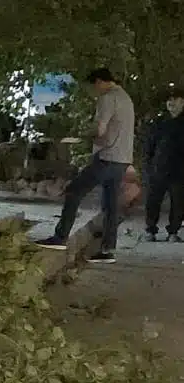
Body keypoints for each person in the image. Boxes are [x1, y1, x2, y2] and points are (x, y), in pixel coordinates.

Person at [35, 68, 135, 263]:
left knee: (74, 191)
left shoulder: (107, 98)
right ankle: (107, 250)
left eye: (92, 87)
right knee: (110, 205)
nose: (93, 92)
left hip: (107, 157)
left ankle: (60, 237)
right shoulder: (125, 98)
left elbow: (100, 129)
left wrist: (81, 137)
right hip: (122, 160)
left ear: (98, 82)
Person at [143, 88, 184, 242]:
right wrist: (148, 166)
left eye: (175, 99)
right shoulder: (159, 123)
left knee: (178, 203)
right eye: (169, 100)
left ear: (183, 102)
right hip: (158, 169)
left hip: (179, 171)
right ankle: (150, 230)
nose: (171, 103)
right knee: (153, 201)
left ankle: (173, 232)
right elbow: (149, 146)